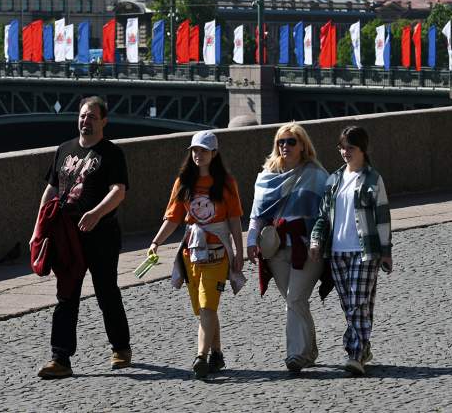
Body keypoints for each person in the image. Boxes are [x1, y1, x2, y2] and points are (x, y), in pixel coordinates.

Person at [30, 96, 131, 379]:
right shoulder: (64, 149)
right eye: (83, 116)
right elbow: (51, 190)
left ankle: (121, 348)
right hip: (67, 236)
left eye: (92, 117)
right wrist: (38, 231)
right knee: (67, 295)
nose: (85, 121)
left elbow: (119, 191)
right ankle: (60, 358)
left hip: (101, 235)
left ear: (104, 122)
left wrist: (97, 213)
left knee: (106, 292)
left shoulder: (111, 153)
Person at [148, 130, 244, 379]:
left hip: (218, 253)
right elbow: (173, 218)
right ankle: (217, 354)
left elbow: (234, 221)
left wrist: (238, 253)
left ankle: (200, 356)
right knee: (202, 309)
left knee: (207, 305)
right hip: (192, 253)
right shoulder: (183, 182)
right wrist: (156, 242)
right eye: (194, 150)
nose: (198, 155)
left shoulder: (226, 183)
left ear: (214, 153)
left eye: (203, 150)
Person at [246, 122, 331, 373]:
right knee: (295, 301)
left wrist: (320, 242)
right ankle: (309, 351)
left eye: (291, 141)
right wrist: (251, 241)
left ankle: (295, 355)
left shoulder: (316, 174)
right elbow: (257, 215)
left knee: (295, 297)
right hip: (276, 248)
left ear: (303, 145)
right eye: (281, 142)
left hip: (307, 247)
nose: (285, 146)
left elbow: (326, 215)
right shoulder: (266, 176)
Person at [308, 125, 392, 377]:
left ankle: (354, 354)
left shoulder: (373, 179)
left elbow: (382, 217)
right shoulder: (333, 179)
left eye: (350, 148)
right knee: (352, 306)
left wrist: (386, 251)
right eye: (342, 147)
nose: (345, 152)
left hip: (365, 251)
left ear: (363, 149)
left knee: (357, 303)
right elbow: (323, 216)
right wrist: (315, 241)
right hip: (337, 252)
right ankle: (363, 348)